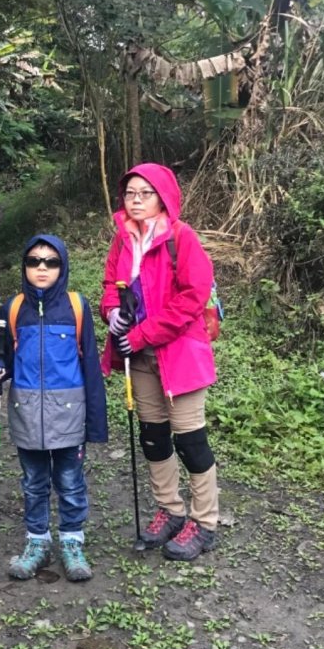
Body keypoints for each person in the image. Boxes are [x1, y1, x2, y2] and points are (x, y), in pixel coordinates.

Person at [100, 163, 219, 561]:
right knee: (153, 437)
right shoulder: (123, 239)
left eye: (144, 193)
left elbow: (192, 297)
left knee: (190, 441)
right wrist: (111, 311)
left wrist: (141, 335)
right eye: (130, 192)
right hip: (139, 356)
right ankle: (170, 510)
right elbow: (110, 287)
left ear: (163, 196)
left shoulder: (181, 239)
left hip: (179, 354)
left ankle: (204, 523)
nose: (135, 200)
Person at [0, 234, 108, 582]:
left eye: (50, 261)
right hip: (26, 412)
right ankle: (37, 542)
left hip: (69, 412)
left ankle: (72, 542)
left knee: (70, 482)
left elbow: (91, 369)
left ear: (62, 266)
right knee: (33, 483)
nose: (42, 267)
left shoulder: (77, 307)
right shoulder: (12, 308)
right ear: (24, 267)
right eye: (34, 261)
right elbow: (3, 354)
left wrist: (96, 423)